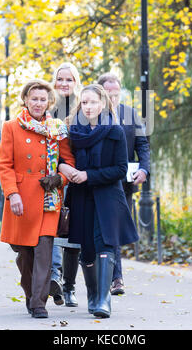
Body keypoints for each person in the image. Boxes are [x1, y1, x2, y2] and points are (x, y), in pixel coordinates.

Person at [0, 79, 75, 319]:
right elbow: (5, 165)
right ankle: (31, 294)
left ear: (49, 102)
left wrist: (59, 180)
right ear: (26, 100)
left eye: (43, 99)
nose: (38, 103)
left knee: (44, 250)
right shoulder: (11, 126)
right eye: (34, 98)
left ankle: (39, 303)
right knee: (25, 255)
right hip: (21, 199)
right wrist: (13, 194)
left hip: (47, 200)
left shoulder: (57, 129)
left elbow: (68, 163)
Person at [64, 84, 139, 318]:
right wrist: (66, 168)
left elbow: (120, 169)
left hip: (107, 197)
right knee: (86, 249)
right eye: (84, 103)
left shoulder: (114, 131)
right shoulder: (73, 131)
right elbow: (61, 157)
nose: (88, 107)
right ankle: (93, 295)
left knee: (105, 243)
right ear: (80, 105)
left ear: (103, 103)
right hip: (81, 197)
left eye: (93, 102)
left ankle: (104, 299)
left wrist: (88, 175)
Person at [97, 72, 150, 295]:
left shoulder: (131, 115)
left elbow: (143, 146)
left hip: (124, 183)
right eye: (108, 94)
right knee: (99, 230)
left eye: (115, 94)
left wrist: (144, 169)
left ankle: (116, 278)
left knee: (115, 229)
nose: (112, 97)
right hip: (97, 182)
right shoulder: (89, 114)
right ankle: (98, 274)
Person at [49, 62, 82, 308]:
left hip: (78, 176)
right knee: (50, 229)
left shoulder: (84, 107)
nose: (64, 83)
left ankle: (69, 287)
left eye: (69, 79)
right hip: (52, 178)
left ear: (76, 82)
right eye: (60, 79)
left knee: (72, 234)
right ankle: (54, 278)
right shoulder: (47, 107)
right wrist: (61, 167)